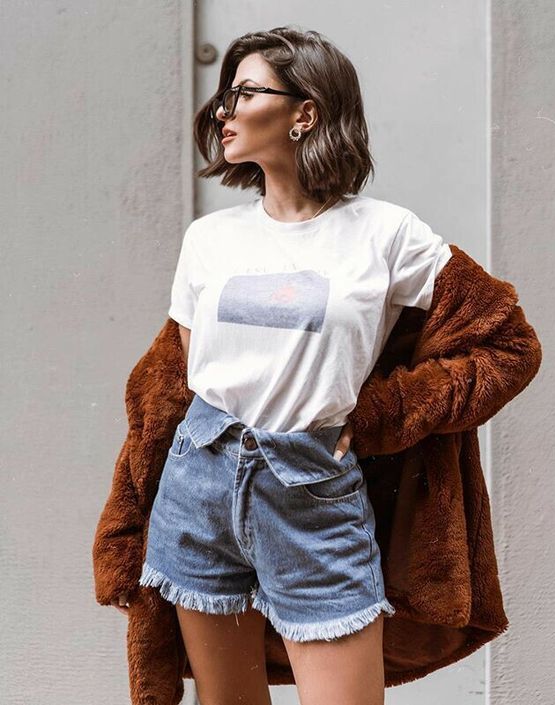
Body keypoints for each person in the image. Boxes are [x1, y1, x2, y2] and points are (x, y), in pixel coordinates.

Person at [109, 26, 475, 705]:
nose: (224, 109)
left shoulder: (388, 233)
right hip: (199, 485)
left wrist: (384, 413)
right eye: (225, 95)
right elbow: (176, 379)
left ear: (305, 112)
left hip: (312, 490)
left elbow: (503, 340)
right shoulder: (209, 238)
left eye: (245, 92)